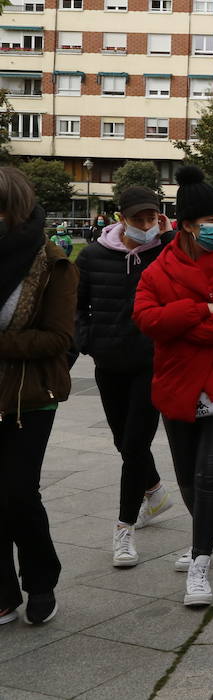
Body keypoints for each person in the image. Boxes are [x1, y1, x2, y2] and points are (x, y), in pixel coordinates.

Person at [133, 165, 213, 607]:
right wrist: (201, 309)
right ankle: (211, 531)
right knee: (185, 476)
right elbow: (147, 320)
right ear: (185, 224)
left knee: (209, 474)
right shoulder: (157, 269)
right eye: (208, 222)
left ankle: (201, 560)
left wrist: (182, 319)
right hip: (177, 383)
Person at [76, 186, 176, 569]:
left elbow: (194, 267)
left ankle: (124, 527)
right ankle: (154, 490)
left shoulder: (164, 252)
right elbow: (77, 305)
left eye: (153, 218)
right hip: (109, 362)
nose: (147, 225)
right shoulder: (92, 256)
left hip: (151, 361)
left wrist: (166, 237)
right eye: (139, 219)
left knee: (134, 444)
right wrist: (87, 339)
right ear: (121, 219)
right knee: (123, 440)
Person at [0, 167, 76, 626]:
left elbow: (57, 339)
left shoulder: (53, 264)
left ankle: (41, 579)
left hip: (30, 396)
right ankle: (3, 590)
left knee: (17, 492)